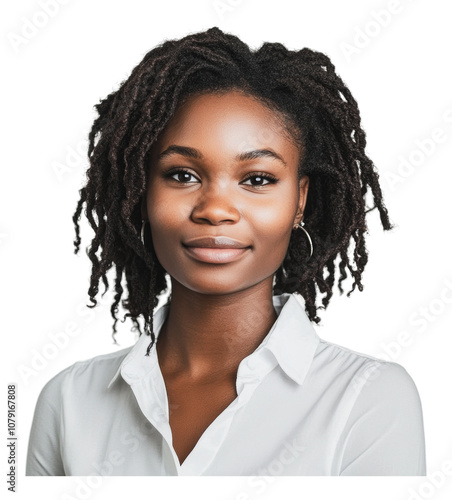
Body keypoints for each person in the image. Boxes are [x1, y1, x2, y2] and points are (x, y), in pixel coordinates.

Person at [26, 27, 426, 476]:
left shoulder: (368, 399)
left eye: (257, 179)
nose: (216, 210)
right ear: (140, 192)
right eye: (181, 175)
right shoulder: (68, 402)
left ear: (299, 200)